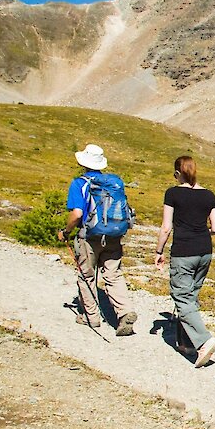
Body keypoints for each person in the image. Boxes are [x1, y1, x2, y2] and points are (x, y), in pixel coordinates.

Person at [57, 143, 137, 336]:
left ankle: (91, 317)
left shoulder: (80, 183)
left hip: (89, 236)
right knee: (114, 274)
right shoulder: (114, 183)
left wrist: (66, 231)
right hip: (113, 235)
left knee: (86, 275)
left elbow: (77, 214)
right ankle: (124, 311)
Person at [155, 155, 215, 367]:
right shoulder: (209, 195)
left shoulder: (172, 193)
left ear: (177, 173)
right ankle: (187, 344)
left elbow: (166, 227)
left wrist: (159, 250)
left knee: (181, 298)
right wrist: (201, 233)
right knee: (191, 296)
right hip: (204, 250)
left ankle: (204, 341)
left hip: (183, 251)